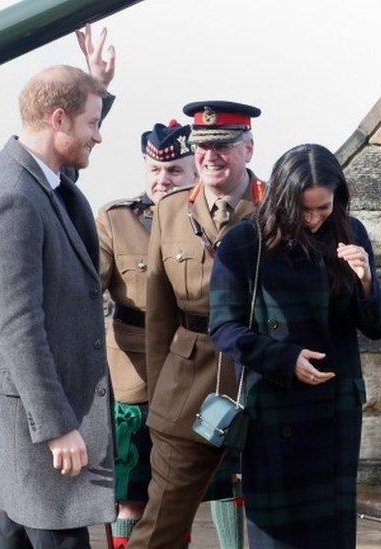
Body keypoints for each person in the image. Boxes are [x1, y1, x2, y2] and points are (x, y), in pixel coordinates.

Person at [0, 24, 117, 549]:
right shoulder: (14, 196)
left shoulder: (40, 176)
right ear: (58, 120)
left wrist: (95, 85)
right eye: (91, 123)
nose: (97, 135)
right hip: (39, 430)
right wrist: (58, 425)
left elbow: (71, 160)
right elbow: (17, 326)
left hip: (30, 432)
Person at [209, 143, 381, 548]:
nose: (313, 220)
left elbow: (378, 327)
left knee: (332, 537)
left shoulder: (351, 232)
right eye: (303, 210)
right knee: (278, 538)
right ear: (281, 198)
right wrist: (286, 359)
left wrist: (365, 281)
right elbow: (223, 327)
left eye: (323, 208)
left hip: (334, 412)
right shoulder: (244, 243)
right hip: (274, 410)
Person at [97, 120, 241, 548]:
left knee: (225, 484)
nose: (162, 181)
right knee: (135, 496)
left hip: (211, 368)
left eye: (174, 172)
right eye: (154, 171)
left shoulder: (214, 211)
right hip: (138, 379)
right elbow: (88, 285)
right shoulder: (116, 219)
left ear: (194, 171)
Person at [128, 101, 265, 548]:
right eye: (202, 145)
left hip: (260, 380)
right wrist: (157, 389)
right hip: (187, 386)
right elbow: (159, 312)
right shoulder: (169, 211)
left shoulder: (277, 209)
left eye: (223, 144)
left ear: (248, 147)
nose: (210, 156)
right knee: (160, 525)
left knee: (272, 525)